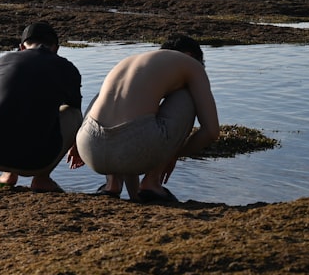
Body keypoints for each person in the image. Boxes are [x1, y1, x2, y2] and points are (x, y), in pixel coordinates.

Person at [69, 35, 219, 203]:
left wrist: (76, 143)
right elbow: (211, 131)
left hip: (89, 147)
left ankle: (112, 185)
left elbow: (104, 104)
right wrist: (173, 154)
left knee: (124, 108)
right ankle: (152, 183)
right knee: (188, 95)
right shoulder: (191, 65)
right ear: (191, 56)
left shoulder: (130, 63)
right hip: (131, 146)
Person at [0, 22, 82, 193]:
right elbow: (75, 108)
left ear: (21, 47)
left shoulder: (3, 60)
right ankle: (42, 179)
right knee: (73, 113)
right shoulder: (67, 68)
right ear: (56, 48)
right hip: (38, 161)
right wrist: (77, 146)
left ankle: (7, 174)